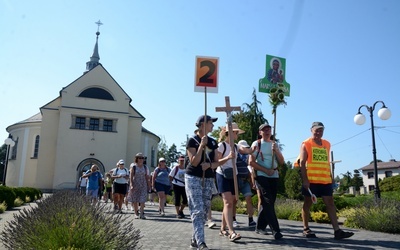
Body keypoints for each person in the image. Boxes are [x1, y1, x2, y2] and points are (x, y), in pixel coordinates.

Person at [299, 122, 354, 240]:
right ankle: (306, 228)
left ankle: (337, 231)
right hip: (311, 180)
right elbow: (302, 163)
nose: (319, 133)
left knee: (330, 203)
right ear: (311, 130)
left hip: (325, 180)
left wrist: (331, 176)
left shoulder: (327, 144)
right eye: (316, 130)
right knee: (308, 203)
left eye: (321, 130)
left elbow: (326, 162)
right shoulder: (306, 144)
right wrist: (305, 180)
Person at [186, 115, 219, 250]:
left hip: (209, 178)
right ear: (202, 125)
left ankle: (195, 239)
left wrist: (210, 165)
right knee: (197, 209)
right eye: (211, 123)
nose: (213, 126)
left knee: (204, 210)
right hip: (193, 177)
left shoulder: (213, 142)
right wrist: (201, 146)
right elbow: (194, 161)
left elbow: (216, 163)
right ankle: (201, 243)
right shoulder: (192, 141)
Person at [216, 123, 252, 242]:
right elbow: (216, 162)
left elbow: (245, 150)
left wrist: (254, 149)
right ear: (230, 133)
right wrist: (227, 158)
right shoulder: (222, 146)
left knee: (230, 202)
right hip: (222, 174)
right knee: (228, 202)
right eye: (236, 132)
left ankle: (222, 228)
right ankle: (231, 232)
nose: (237, 134)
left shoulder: (236, 147)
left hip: (233, 176)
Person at [249, 123, 284, 240]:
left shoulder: (274, 144)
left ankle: (260, 226)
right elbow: (251, 162)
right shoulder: (257, 144)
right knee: (267, 200)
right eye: (264, 130)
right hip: (262, 175)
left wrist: (277, 151)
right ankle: (276, 230)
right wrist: (265, 170)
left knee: (269, 202)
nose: (267, 131)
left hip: (274, 175)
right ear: (260, 132)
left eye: (269, 129)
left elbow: (282, 161)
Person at [232, 139, 256, 227]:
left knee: (249, 199)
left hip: (245, 180)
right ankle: (233, 219)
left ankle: (251, 220)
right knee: (234, 200)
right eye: (244, 147)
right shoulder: (235, 155)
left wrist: (252, 181)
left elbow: (250, 170)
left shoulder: (247, 156)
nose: (246, 149)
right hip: (237, 179)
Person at [127, 152, 151, 219]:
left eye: (142, 158)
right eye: (139, 158)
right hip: (135, 184)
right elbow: (131, 177)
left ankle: (142, 213)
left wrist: (149, 185)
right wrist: (131, 184)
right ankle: (136, 213)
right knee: (135, 199)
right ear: (136, 159)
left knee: (142, 199)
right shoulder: (134, 167)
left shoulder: (145, 167)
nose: (141, 159)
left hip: (143, 184)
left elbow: (147, 176)